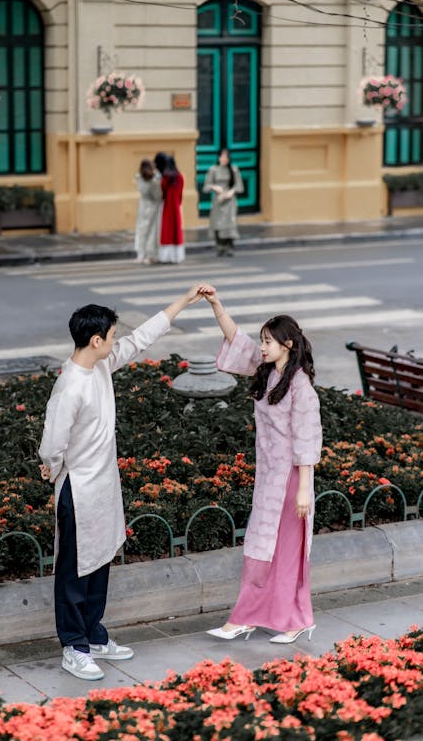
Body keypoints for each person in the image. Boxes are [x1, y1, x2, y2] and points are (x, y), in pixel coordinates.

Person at [39, 285, 202, 680]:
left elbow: (142, 337)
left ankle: (94, 635)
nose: (117, 341)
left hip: (103, 488)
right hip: (77, 490)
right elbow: (51, 445)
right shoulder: (71, 386)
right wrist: (51, 469)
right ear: (95, 340)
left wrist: (183, 301)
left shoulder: (99, 366)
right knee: (74, 572)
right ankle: (73, 646)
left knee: (98, 564)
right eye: (111, 336)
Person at [198, 285, 322, 644]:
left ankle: (269, 618)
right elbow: (235, 338)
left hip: (290, 482)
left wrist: (302, 492)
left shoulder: (301, 388)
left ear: (288, 346)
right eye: (262, 340)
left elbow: (307, 442)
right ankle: (268, 618)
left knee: (279, 552)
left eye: (268, 341)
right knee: (264, 548)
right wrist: (217, 304)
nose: (262, 346)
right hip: (270, 477)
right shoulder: (268, 372)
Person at [203, 148, 244, 257]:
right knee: (217, 223)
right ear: (218, 157)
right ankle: (220, 246)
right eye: (222, 157)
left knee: (230, 223)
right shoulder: (213, 170)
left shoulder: (234, 170)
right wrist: (214, 187)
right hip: (218, 200)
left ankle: (230, 246)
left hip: (230, 200)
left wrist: (232, 191)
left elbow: (239, 185)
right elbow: (206, 186)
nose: (224, 159)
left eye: (226, 157)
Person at [154, 152, 185, 264]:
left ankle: (165, 256)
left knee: (165, 232)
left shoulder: (165, 178)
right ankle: (177, 256)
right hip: (176, 206)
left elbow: (160, 192)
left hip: (166, 206)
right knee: (176, 231)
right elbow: (181, 193)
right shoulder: (179, 176)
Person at [134, 158, 162, 264]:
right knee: (152, 232)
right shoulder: (155, 180)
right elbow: (157, 195)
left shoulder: (139, 178)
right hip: (153, 207)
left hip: (143, 206)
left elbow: (142, 191)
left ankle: (140, 255)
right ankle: (150, 255)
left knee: (141, 230)